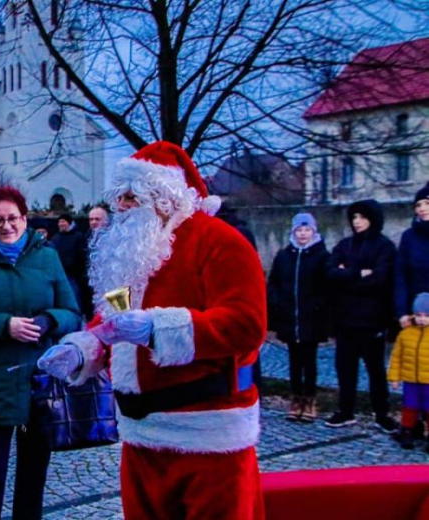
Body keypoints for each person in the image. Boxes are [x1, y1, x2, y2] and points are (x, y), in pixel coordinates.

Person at [39, 142, 266, 519]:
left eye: (134, 196)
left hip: (207, 437)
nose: (123, 207)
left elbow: (247, 325)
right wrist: (84, 347)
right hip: (141, 436)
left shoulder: (220, 243)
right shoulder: (129, 253)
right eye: (120, 198)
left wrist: (157, 329)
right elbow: (112, 319)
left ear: (167, 195)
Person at [0, 186, 80, 520]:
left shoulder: (47, 256)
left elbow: (71, 311)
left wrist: (49, 320)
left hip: (39, 382)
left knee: (33, 475)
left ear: (24, 219)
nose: (6, 226)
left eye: (12, 218)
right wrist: (5, 325)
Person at [324, 199, 398, 432]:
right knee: (345, 369)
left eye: (362, 217)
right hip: (346, 320)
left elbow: (380, 279)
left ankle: (382, 413)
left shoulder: (385, 247)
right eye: (354, 217)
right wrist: (358, 274)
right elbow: (331, 273)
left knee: (375, 370)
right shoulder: (345, 245)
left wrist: (348, 276)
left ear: (373, 219)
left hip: (372, 320)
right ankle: (345, 411)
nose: (357, 222)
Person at [268, 213, 330, 422]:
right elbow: (274, 283)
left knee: (309, 361)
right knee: (294, 361)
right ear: (293, 232)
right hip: (290, 317)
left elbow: (326, 287)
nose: (303, 234)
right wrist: (277, 304)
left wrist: (319, 307)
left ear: (314, 231)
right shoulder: (284, 255)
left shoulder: (321, 256)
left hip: (311, 318)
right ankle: (296, 399)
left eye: (307, 230)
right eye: (299, 230)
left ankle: (310, 399)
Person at [394, 184, 429, 441]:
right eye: (418, 205)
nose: (422, 209)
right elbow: (401, 276)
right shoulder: (409, 237)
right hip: (415, 314)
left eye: (426, 204)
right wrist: (403, 311)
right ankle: (411, 424)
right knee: (414, 368)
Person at [388, 293, 429, 451]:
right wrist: (394, 377)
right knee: (409, 406)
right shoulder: (405, 334)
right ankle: (406, 431)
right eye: (418, 315)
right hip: (411, 379)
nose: (422, 319)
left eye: (426, 316)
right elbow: (396, 357)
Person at [49, 213, 86, 306]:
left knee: (74, 296)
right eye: (59, 222)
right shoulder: (55, 238)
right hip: (58, 273)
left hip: (73, 275)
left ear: (69, 223)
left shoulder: (78, 236)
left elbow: (82, 255)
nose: (61, 224)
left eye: (63, 221)